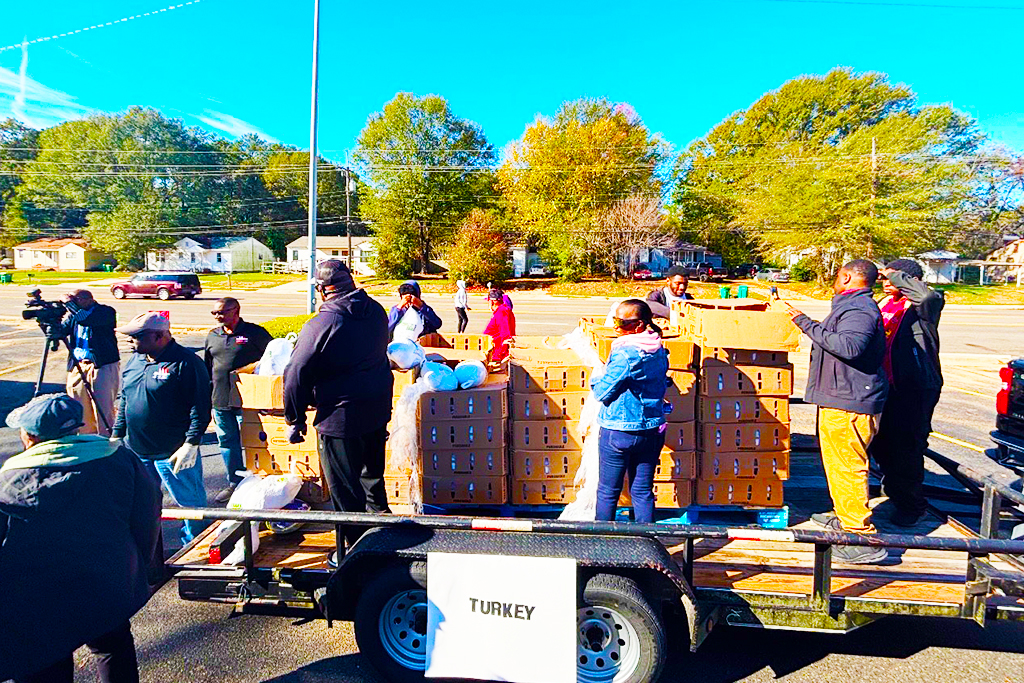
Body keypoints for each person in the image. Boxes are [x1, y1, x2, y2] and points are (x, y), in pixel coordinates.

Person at [0, 394, 161, 683]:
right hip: (106, 581)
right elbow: (147, 514)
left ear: (30, 437)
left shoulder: (8, 482)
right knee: (113, 647)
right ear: (75, 428)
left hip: (37, 598)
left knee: (46, 660)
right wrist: (138, 565)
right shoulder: (119, 458)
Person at [283, 260, 393, 557]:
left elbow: (295, 372)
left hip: (340, 418)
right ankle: (385, 532)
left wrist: (294, 418)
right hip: (376, 408)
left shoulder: (322, 324)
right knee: (372, 478)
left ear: (322, 290)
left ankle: (356, 552)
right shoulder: (376, 311)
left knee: (345, 491)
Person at [783, 259, 889, 564]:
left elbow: (849, 347)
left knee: (847, 466)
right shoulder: (852, 306)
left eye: (837, 275)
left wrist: (804, 322)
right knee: (837, 464)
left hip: (849, 402)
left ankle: (860, 536)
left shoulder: (859, 310)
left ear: (846, 277)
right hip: (841, 398)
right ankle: (845, 515)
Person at [112, 312, 212, 545]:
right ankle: (150, 551)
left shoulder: (186, 362)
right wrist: (117, 434)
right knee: (144, 505)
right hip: (138, 451)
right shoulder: (136, 360)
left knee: (190, 505)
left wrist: (191, 443)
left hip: (173, 452)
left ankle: (196, 547)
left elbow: (200, 407)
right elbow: (126, 398)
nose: (129, 340)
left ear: (159, 336)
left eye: (136, 336)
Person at [870, 259, 944, 527]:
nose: (886, 283)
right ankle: (894, 490)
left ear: (910, 280)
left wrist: (895, 275)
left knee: (906, 447)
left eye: (893, 278)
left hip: (914, 387)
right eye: (884, 278)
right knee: (880, 443)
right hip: (886, 385)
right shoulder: (884, 303)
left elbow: (925, 296)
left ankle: (912, 506)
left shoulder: (924, 305)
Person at [590, 300, 669, 523]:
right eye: (615, 320)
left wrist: (596, 378)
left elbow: (602, 393)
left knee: (608, 491)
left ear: (639, 325)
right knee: (642, 491)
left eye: (622, 323)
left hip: (620, 431)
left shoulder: (625, 354)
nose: (616, 327)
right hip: (652, 429)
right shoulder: (657, 347)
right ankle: (646, 539)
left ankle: (604, 540)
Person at [203, 297, 273, 503]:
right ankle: (235, 482)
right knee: (227, 443)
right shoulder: (212, 336)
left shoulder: (255, 333)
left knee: (255, 442)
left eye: (222, 312)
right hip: (220, 401)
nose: (217, 316)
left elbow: (273, 359)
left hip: (248, 402)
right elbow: (208, 368)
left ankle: (261, 481)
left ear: (236, 311)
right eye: (214, 313)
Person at [62, 289, 120, 436]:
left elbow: (86, 320)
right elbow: (61, 331)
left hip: (101, 364)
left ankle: (106, 438)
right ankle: (85, 436)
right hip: (78, 364)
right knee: (78, 404)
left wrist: (69, 304)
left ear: (87, 299)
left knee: (102, 406)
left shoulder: (105, 312)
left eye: (76, 301)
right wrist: (47, 322)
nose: (73, 304)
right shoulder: (74, 315)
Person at [483, 288, 516, 363]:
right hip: (495, 352)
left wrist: (503, 353)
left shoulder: (501, 313)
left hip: (497, 353)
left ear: (493, 301)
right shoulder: (503, 311)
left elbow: (505, 334)